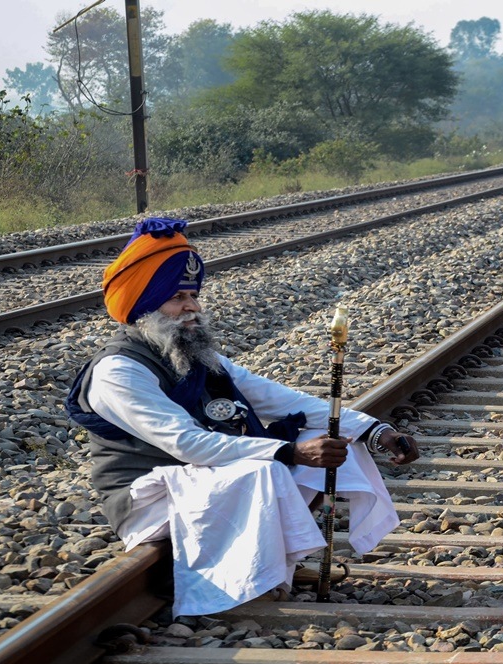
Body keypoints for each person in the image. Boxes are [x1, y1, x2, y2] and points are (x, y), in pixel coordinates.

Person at [65, 217, 420, 617]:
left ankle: (279, 562)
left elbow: (283, 401)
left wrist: (375, 430)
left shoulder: (199, 356)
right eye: (178, 298)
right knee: (263, 468)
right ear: (145, 304)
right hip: (147, 496)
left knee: (334, 438)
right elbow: (187, 444)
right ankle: (243, 584)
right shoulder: (119, 371)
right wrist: (290, 451)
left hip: (204, 480)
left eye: (193, 296)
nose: (193, 308)